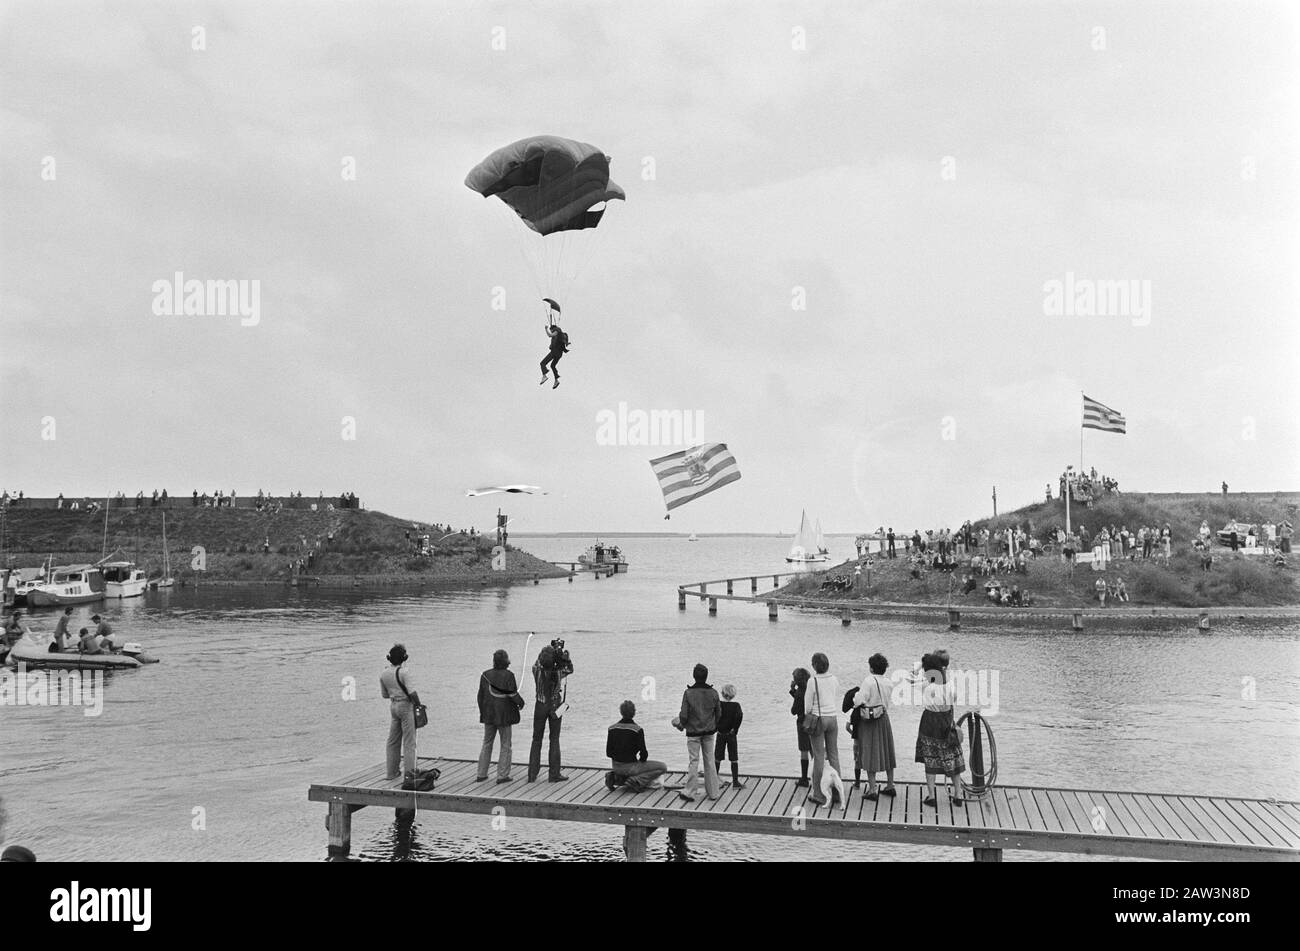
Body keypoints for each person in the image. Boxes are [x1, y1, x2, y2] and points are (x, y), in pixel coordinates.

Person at [914, 652, 965, 806]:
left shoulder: (926, 685)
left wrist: (915, 670)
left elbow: (910, 682)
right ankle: (958, 793)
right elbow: (954, 698)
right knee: (952, 757)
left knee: (930, 758)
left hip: (929, 722)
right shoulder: (949, 683)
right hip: (946, 721)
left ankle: (931, 796)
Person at [673, 663, 722, 802]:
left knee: (694, 761)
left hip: (693, 732)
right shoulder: (713, 693)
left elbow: (684, 715)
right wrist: (715, 724)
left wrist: (682, 724)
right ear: (706, 677)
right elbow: (719, 713)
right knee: (710, 760)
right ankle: (713, 792)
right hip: (709, 731)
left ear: (694, 676)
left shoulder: (688, 693)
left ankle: (690, 792)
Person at [853, 653, 897, 801]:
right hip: (884, 718)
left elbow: (859, 700)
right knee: (887, 751)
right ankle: (890, 785)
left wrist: (854, 698)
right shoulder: (889, 682)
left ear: (871, 668)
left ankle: (872, 789)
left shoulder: (868, 681)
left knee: (869, 752)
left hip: (870, 720)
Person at [476, 649, 524, 783]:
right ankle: (502, 775)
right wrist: (521, 703)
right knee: (505, 745)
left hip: (488, 714)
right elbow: (512, 694)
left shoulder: (485, 675)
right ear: (506, 661)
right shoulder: (509, 675)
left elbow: (480, 696)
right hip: (504, 716)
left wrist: (482, 712)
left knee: (486, 743)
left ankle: (481, 773)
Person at [527, 643, 573, 783]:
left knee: (536, 740)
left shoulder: (536, 670)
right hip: (555, 706)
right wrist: (564, 657)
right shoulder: (559, 672)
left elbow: (538, 662)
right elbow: (570, 669)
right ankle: (554, 774)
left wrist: (546, 653)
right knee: (554, 739)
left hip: (540, 705)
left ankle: (532, 774)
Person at [804, 652, 842, 807]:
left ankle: (819, 794)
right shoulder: (834, 679)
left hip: (818, 719)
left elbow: (807, 706)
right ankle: (837, 793)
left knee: (819, 757)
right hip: (833, 718)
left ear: (814, 666)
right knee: (834, 755)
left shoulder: (812, 681)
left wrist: (808, 715)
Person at [605, 700, 668, 792]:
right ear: (634, 712)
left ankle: (615, 777)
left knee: (629, 771)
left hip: (616, 766)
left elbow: (609, 753)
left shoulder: (612, 728)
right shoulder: (637, 730)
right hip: (631, 767)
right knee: (662, 767)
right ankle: (637, 780)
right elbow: (644, 755)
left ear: (621, 712)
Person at [379, 644, 421, 782]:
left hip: (393, 706)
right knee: (409, 742)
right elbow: (412, 692)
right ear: (404, 658)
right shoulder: (404, 672)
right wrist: (418, 704)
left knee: (392, 741)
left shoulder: (384, 673)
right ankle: (410, 774)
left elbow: (385, 695)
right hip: (405, 706)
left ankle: (391, 773)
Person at [714, 683, 745, 788]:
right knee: (734, 758)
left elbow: (715, 715)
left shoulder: (719, 704)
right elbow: (740, 717)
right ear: (733, 695)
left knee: (717, 757)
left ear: (722, 693)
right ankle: (735, 782)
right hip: (731, 735)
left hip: (720, 733)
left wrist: (716, 727)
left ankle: (714, 780)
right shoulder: (736, 705)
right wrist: (735, 729)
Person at [789, 667, 812, 786]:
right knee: (815, 750)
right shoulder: (810, 689)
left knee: (804, 750)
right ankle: (819, 775)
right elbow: (805, 701)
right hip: (812, 721)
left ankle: (804, 778)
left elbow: (794, 710)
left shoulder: (799, 693)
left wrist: (793, 690)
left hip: (802, 723)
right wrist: (793, 691)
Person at [539, 321, 568, 389]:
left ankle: (544, 375)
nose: (551, 332)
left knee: (542, 363)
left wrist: (546, 329)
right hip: (559, 354)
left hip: (555, 351)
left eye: (551, 330)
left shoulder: (557, 331)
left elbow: (550, 335)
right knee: (552, 366)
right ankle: (556, 380)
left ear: (553, 329)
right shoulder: (560, 335)